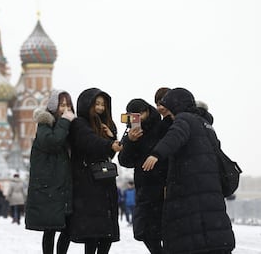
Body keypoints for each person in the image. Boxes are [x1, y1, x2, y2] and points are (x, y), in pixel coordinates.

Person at [142, 88, 235, 254]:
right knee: (212, 234)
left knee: (192, 236)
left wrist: (156, 154)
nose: (168, 114)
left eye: (170, 109)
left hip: (190, 186)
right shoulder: (206, 124)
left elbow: (176, 135)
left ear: (177, 105)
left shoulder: (184, 118)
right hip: (211, 189)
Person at [67, 87, 122, 254]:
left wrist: (111, 136)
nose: (100, 108)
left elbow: (108, 153)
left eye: (103, 105)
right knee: (92, 232)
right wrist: (108, 143)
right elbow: (89, 142)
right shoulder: (79, 124)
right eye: (96, 104)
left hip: (105, 180)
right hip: (87, 183)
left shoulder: (104, 124)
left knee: (107, 232)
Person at [25, 89, 75, 254]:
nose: (65, 109)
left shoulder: (69, 126)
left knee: (68, 228)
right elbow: (52, 142)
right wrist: (66, 122)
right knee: (50, 229)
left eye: (68, 105)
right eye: (62, 105)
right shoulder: (45, 124)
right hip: (50, 187)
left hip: (65, 186)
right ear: (54, 106)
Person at [118, 98, 168, 254]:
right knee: (144, 231)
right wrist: (131, 141)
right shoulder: (131, 132)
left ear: (148, 111)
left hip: (163, 186)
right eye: (133, 115)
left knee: (166, 230)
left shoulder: (161, 127)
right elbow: (124, 161)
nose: (138, 118)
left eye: (140, 114)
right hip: (144, 188)